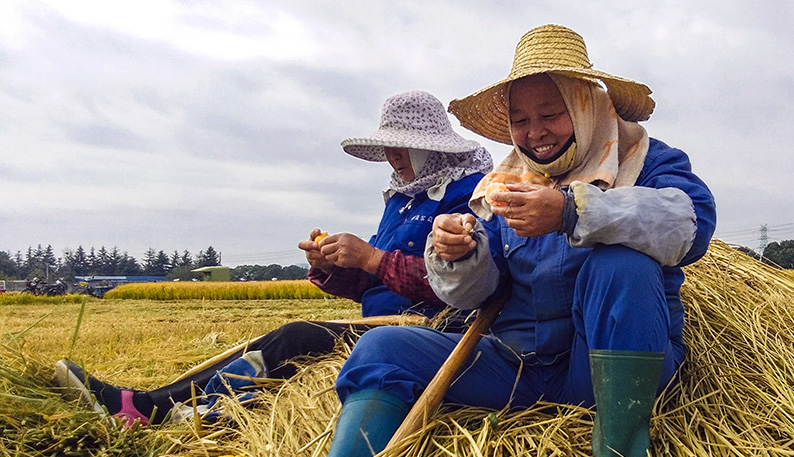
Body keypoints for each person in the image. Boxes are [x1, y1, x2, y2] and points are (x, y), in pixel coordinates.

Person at [228, 24, 716, 457]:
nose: (536, 133)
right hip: (519, 365)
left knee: (620, 265)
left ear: (584, 104)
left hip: (605, 368)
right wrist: (458, 256)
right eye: (521, 120)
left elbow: (690, 224)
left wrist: (575, 211)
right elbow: (476, 294)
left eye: (549, 114)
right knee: (381, 347)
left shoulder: (646, 160)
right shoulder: (503, 183)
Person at [53, 90, 494, 427]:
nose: (393, 157)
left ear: (434, 147)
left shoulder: (466, 194)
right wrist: (333, 266)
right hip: (376, 323)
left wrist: (372, 257)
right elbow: (372, 283)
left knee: (294, 337)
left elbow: (462, 284)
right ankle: (153, 404)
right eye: (390, 147)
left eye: (404, 146)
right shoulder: (401, 200)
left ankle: (187, 411)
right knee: (266, 344)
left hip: (423, 331)